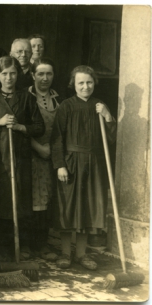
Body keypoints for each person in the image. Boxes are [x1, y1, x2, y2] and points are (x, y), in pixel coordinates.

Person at [0, 56, 44, 261]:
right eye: (4, 73)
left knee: (21, 200)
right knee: (0, 200)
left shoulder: (27, 97)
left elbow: (39, 127)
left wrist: (20, 127)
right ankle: (1, 248)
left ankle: (21, 245)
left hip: (21, 156)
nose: (9, 77)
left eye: (13, 73)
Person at [50, 65, 116, 270]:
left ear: (94, 83)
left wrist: (107, 116)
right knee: (68, 207)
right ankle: (64, 253)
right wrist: (60, 165)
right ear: (74, 84)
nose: (85, 86)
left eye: (89, 82)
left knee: (87, 208)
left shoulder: (100, 105)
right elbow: (57, 138)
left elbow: (112, 138)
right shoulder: (66, 106)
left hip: (94, 164)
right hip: (71, 163)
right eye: (81, 83)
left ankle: (81, 254)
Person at [28, 58, 63, 260]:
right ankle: (28, 245)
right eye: (40, 73)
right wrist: (38, 147)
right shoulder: (26, 96)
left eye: (49, 74)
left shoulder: (59, 99)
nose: (45, 78)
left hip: (51, 155)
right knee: (31, 200)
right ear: (33, 75)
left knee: (47, 199)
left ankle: (42, 244)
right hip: (31, 154)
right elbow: (22, 128)